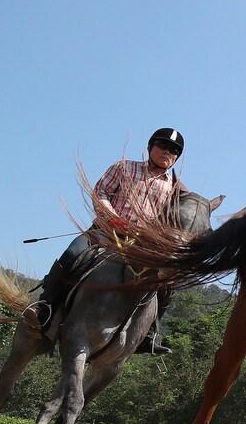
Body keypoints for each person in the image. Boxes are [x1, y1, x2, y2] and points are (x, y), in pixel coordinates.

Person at [27, 127, 186, 354]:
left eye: (173, 151)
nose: (167, 152)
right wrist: (114, 219)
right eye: (162, 146)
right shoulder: (123, 167)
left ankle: (147, 334)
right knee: (71, 255)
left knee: (167, 284)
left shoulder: (174, 188)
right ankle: (45, 307)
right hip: (104, 234)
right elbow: (100, 193)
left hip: (139, 246)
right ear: (150, 147)